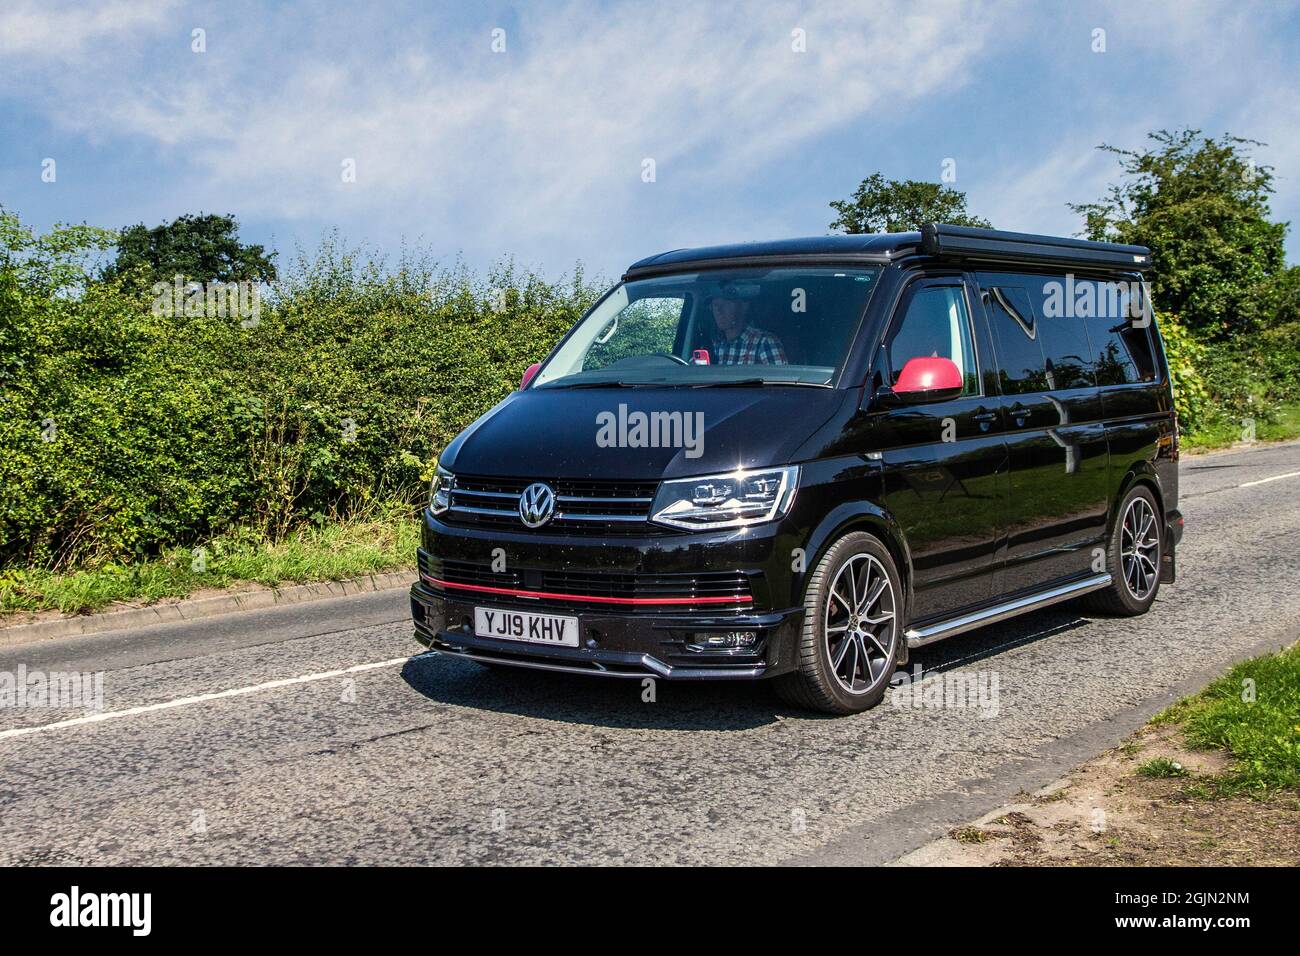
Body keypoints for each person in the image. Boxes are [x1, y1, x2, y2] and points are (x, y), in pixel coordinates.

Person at [709, 295, 787, 366]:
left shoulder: (764, 343)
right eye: (715, 305)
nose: (719, 311)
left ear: (744, 306)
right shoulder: (713, 344)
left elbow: (780, 380)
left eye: (725, 304)